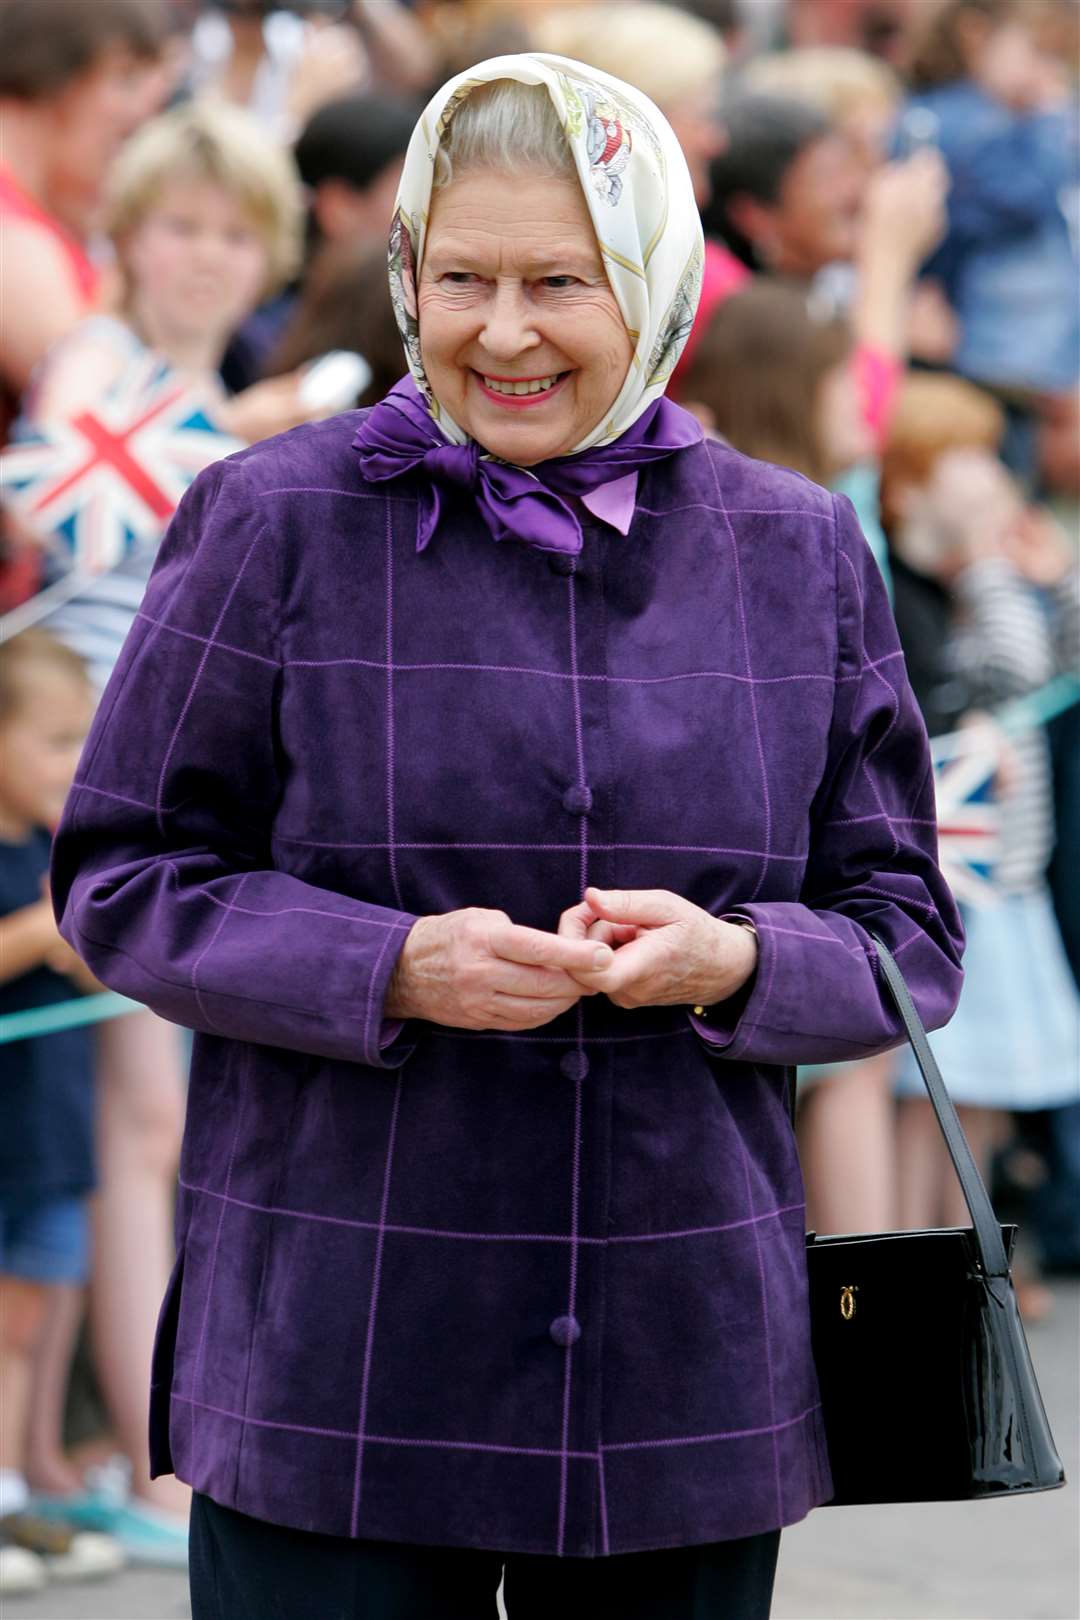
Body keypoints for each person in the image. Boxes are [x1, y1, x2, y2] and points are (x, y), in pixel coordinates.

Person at [49, 54, 964, 1619]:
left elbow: (906, 929)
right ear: (404, 273)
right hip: (342, 1339)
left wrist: (738, 960)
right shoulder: (275, 519)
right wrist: (388, 964)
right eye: (460, 277)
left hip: (674, 1363)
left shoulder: (796, 549)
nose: (505, 330)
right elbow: (125, 877)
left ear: (658, 279)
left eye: (561, 279)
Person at [879, 375, 1080, 1260]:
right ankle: (942, 1257)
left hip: (1009, 876)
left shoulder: (970, 584)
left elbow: (1060, 667)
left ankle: (976, 1254)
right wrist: (993, 564)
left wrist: (1058, 577)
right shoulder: (924, 592)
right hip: (963, 883)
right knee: (939, 1093)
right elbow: (1009, 673)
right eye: (966, 464)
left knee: (987, 1090)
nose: (991, 483)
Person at [0, 631, 124, 1597]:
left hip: (47, 1134)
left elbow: (94, 959)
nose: (77, 764)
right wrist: (40, 930)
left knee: (27, 1326)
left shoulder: (57, 850)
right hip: (10, 1134)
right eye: (55, 740)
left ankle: (9, 1502)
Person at [0, 0, 167, 612]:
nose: (138, 113)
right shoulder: (12, 233)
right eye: (124, 82)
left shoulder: (40, 214)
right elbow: (104, 418)